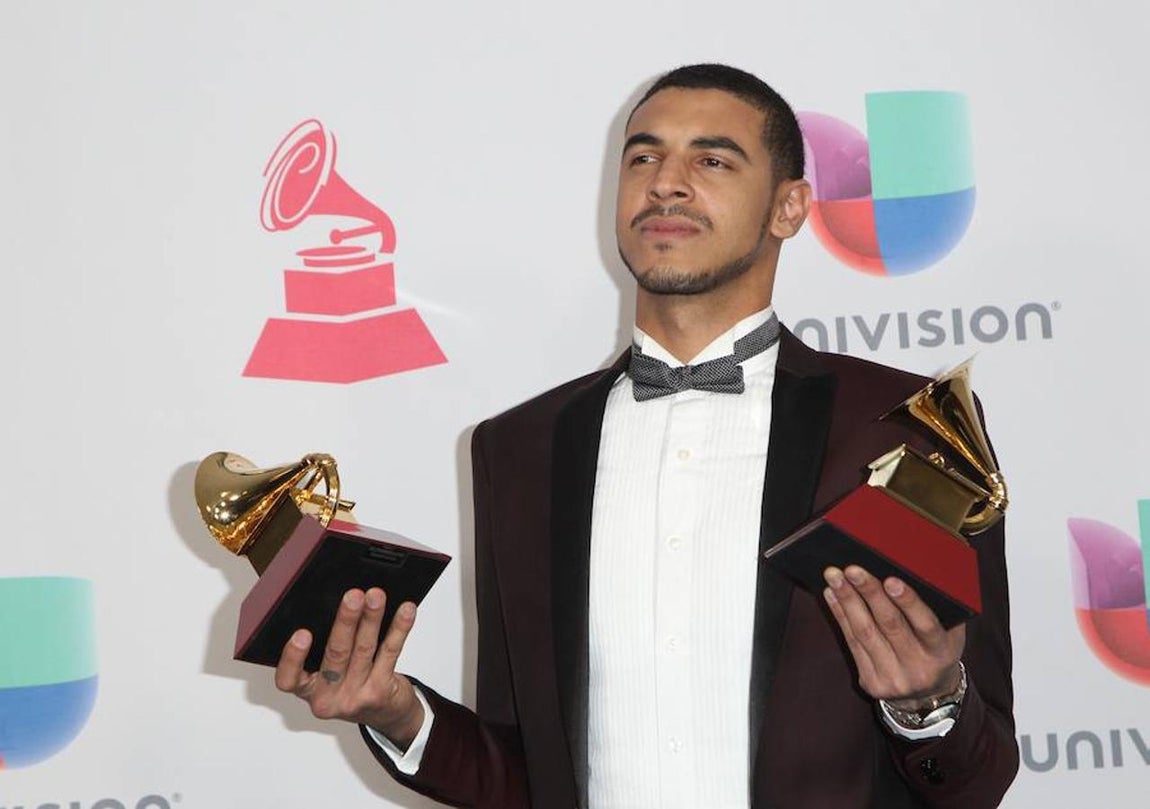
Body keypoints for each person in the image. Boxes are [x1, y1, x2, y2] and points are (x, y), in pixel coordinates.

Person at [273, 64, 1018, 808]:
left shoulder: (901, 425)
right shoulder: (518, 448)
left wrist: (928, 702)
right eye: (643, 156)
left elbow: (980, 773)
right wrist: (400, 714)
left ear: (789, 208)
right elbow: (526, 768)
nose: (667, 182)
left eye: (713, 159)